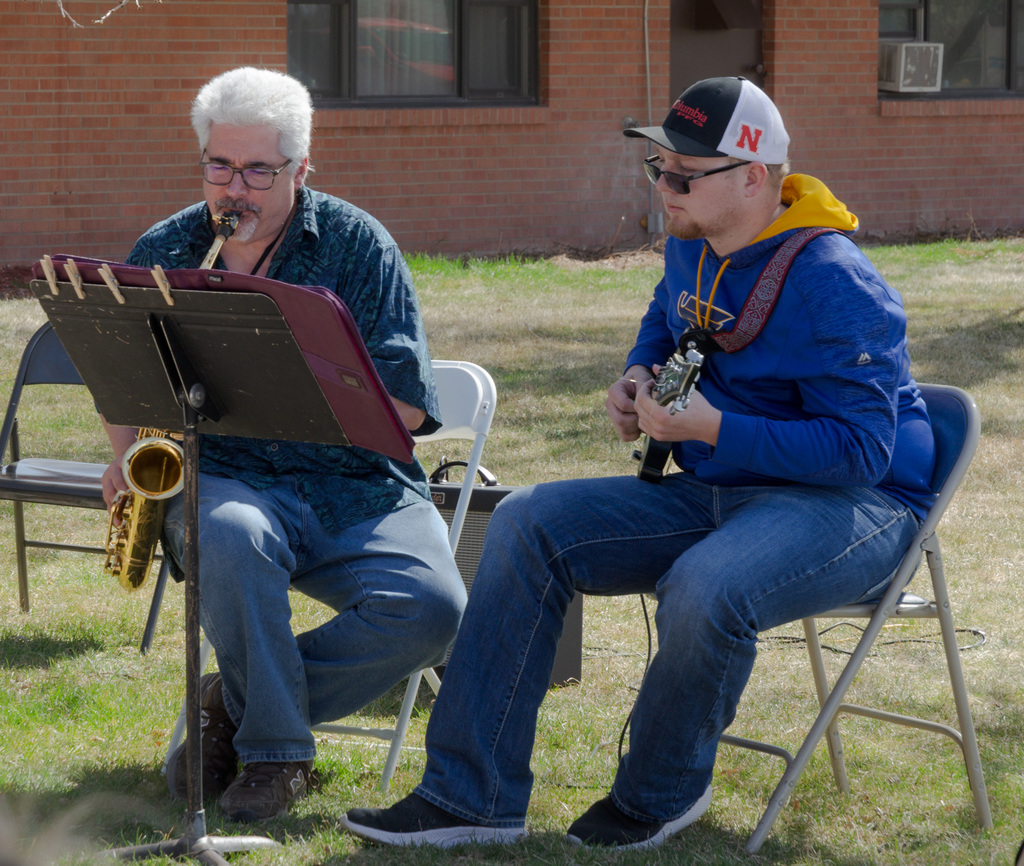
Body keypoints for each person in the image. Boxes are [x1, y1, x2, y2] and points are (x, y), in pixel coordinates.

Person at [340, 76, 936, 850]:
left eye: (684, 175)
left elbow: (863, 451)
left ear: (755, 177)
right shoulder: (695, 239)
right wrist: (639, 375)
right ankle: (470, 798)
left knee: (705, 585)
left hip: (858, 508)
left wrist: (715, 425)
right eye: (657, 166)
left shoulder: (837, 281)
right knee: (526, 522)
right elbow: (669, 315)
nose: (664, 187)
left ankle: (659, 795)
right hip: (723, 488)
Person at [100, 66, 466, 822]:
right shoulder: (165, 247)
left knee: (434, 610)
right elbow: (124, 375)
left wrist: (297, 365)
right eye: (219, 166)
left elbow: (409, 405)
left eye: (259, 171)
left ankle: (229, 709)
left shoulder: (361, 244)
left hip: (358, 485)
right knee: (228, 535)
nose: (236, 189)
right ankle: (278, 755)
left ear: (302, 168)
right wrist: (126, 454)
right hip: (228, 478)